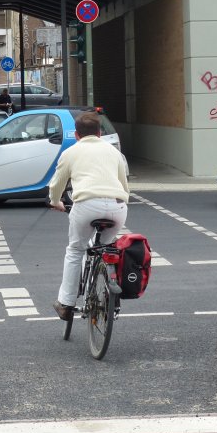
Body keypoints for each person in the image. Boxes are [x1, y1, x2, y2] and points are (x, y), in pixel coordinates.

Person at [47, 111, 130, 321]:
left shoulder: (71, 152)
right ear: (100, 133)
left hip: (86, 205)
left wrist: (55, 201)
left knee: (75, 249)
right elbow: (124, 184)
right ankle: (109, 291)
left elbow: (57, 184)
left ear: (77, 135)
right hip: (117, 206)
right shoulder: (114, 153)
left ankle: (66, 304)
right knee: (107, 247)